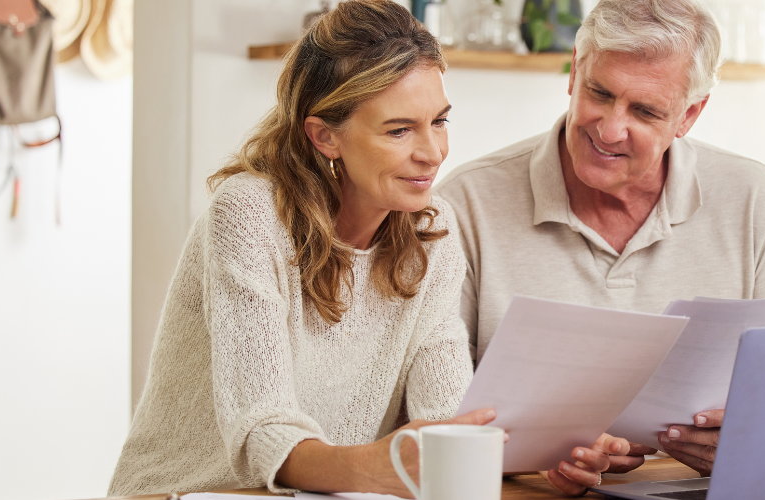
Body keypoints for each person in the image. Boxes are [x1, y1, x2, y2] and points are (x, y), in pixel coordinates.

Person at [108, 1, 489, 496]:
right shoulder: (250, 216)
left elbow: (448, 415)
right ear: (325, 136)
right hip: (187, 493)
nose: (433, 152)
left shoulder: (430, 231)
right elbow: (262, 428)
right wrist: (373, 468)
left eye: (439, 121)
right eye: (399, 130)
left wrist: (544, 452)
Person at [436, 0, 765, 491]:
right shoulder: (464, 202)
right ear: (575, 72)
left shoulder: (754, 199)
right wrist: (529, 456)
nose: (610, 128)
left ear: (689, 115)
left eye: (645, 110)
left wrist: (754, 434)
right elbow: (435, 410)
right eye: (600, 92)